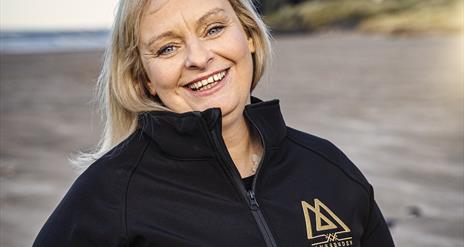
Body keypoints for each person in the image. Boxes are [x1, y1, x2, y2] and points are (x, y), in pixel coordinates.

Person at [33, 0, 395, 246]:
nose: (199, 58)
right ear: (144, 77)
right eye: (167, 48)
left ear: (249, 37)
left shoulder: (327, 167)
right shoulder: (108, 196)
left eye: (214, 29)